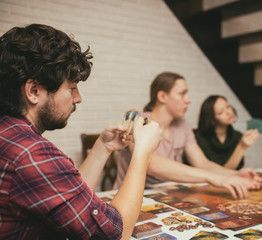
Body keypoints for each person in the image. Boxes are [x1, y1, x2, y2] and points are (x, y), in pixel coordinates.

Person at [0, 24, 161, 240]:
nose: (78, 98)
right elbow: (115, 234)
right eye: (72, 87)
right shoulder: (31, 153)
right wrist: (142, 152)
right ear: (34, 91)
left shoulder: (9, 133)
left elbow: (67, 196)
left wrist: (103, 147)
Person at [113, 72, 262, 199]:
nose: (188, 100)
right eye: (182, 94)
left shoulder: (183, 125)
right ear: (163, 96)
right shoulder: (139, 122)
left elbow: (203, 163)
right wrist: (214, 178)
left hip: (167, 197)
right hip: (129, 197)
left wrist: (236, 174)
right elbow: (153, 165)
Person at [195, 95, 260, 170]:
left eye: (228, 107)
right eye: (221, 112)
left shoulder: (237, 136)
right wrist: (242, 146)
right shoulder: (199, 138)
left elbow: (238, 168)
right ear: (211, 119)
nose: (228, 112)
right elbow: (217, 172)